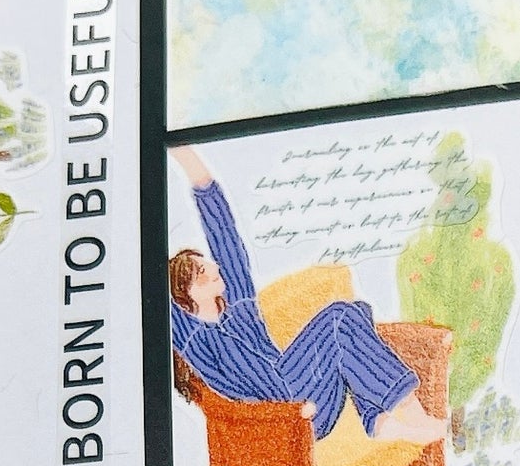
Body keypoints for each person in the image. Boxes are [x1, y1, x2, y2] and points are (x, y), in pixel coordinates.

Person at [167, 145, 447, 445]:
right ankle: (413, 416)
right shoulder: (194, 339)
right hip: (283, 417)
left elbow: (224, 234)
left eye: (206, 263)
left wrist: (186, 155)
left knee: (355, 312)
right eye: (200, 273)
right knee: (340, 317)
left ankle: (381, 422)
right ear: (185, 298)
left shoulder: (238, 306)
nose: (213, 268)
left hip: (309, 399)